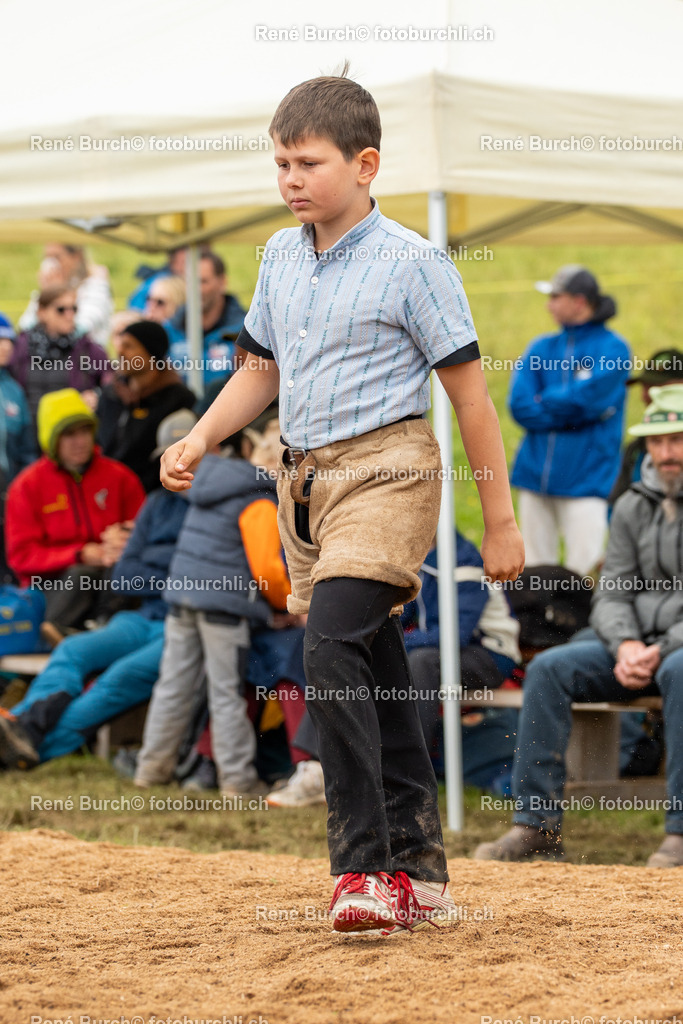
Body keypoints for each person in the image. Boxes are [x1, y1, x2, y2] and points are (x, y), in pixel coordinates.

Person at [160, 68, 523, 936]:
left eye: (306, 162)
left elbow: (470, 397)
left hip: (390, 470)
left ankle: (363, 871)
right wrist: (202, 436)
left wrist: (501, 520)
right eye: (279, 162)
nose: (288, 178)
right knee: (373, 660)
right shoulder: (279, 257)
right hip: (303, 484)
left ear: (363, 165)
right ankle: (422, 864)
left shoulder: (415, 262)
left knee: (326, 646)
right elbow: (261, 372)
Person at [474, 384, 683, 868]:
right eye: (657, 442)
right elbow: (611, 591)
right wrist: (628, 642)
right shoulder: (633, 504)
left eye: (676, 440)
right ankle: (536, 826)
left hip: (674, 651)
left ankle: (678, 832)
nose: (666, 453)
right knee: (549, 668)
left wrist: (658, 647)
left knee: (678, 671)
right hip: (629, 645)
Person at [0, 418, 190, 769]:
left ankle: (25, 751)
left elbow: (207, 579)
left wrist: (149, 567)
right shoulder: (158, 504)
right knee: (73, 650)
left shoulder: (231, 505)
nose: (181, 467)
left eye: (191, 456)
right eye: (173, 458)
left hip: (188, 624)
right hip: (141, 614)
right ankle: (17, 726)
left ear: (217, 451)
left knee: (116, 679)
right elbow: (124, 573)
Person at [134, 420, 291, 795]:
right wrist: (288, 604)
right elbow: (266, 568)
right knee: (226, 692)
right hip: (223, 607)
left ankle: (151, 769)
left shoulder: (211, 483)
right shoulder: (258, 497)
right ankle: (237, 780)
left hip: (183, 597)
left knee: (172, 686)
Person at [508, 265, 630, 576]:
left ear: (579, 301)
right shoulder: (540, 346)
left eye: (555, 296)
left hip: (588, 479)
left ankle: (585, 628)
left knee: (585, 571)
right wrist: (575, 412)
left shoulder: (614, 348)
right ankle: (534, 627)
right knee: (534, 572)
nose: (549, 303)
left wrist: (545, 399)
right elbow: (519, 406)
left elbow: (594, 400)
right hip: (535, 478)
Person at [5, 389, 145, 639]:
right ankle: (54, 636)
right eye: (69, 434)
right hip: (50, 588)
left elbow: (145, 532)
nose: (80, 441)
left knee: (125, 570)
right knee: (82, 575)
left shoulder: (121, 478)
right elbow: (21, 557)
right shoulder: (26, 487)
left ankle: (103, 634)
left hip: (112, 581)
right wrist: (79, 554)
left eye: (85, 431)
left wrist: (124, 540)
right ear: (51, 439)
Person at [401, 530, 522, 793]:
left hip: (490, 653)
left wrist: (399, 643)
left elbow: (455, 634)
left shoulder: (465, 560)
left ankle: (411, 769)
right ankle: (323, 765)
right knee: (365, 653)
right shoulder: (414, 557)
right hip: (442, 651)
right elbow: (400, 616)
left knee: (421, 660)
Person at [97, 320, 195, 492]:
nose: (120, 352)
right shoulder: (111, 394)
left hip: (153, 494)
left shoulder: (178, 399)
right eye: (120, 344)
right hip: (106, 493)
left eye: (129, 346)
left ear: (152, 353)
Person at [11, 285, 112, 432]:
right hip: (26, 436)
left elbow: (112, 383)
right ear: (41, 312)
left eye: (74, 309)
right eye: (61, 310)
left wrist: (97, 396)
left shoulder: (88, 349)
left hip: (70, 436)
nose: (69, 315)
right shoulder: (21, 346)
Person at [609, 347, 683, 506]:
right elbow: (617, 505)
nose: (645, 395)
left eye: (656, 387)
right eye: (644, 386)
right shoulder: (635, 449)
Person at [166, 253, 246, 387]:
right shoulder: (169, 329)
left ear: (222, 282)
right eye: (189, 282)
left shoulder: (246, 331)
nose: (196, 290)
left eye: (203, 281)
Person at [18, 243, 113, 347]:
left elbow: (82, 327)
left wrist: (57, 294)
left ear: (76, 256)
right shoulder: (50, 286)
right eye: (47, 258)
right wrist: (47, 294)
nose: (50, 264)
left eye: (57, 257)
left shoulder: (95, 286)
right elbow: (25, 326)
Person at [0, 315, 36, 482]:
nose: (7, 347)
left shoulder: (15, 391)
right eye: (0, 340)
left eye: (10, 341)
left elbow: (26, 450)